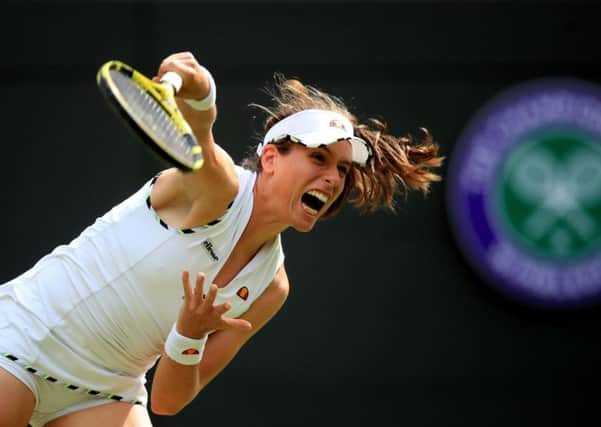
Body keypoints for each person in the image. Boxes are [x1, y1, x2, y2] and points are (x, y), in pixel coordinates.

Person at [0, 51, 444, 427]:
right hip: (24, 340)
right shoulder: (217, 187)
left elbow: (167, 401)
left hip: (105, 393)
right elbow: (199, 134)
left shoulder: (271, 286)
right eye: (318, 158)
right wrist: (202, 90)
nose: (332, 178)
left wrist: (188, 334)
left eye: (342, 170)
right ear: (270, 158)